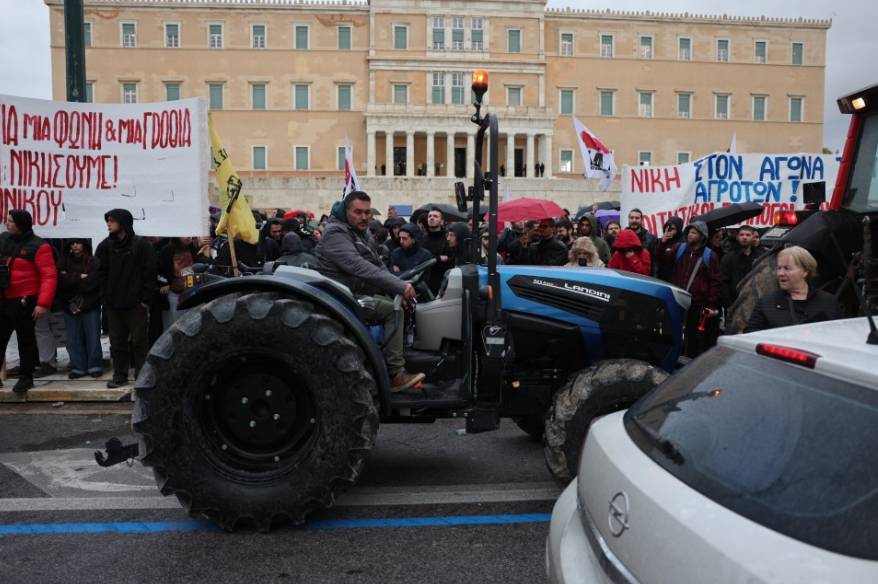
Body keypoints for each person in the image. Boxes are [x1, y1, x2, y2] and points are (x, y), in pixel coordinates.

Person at [315, 191, 425, 392]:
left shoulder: (360, 232)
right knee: (393, 311)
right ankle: (395, 373)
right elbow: (359, 266)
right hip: (340, 297)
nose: (364, 217)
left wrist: (395, 287)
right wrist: (399, 287)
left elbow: (376, 263)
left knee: (396, 303)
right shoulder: (335, 233)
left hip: (354, 291)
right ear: (346, 211)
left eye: (367, 212)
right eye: (358, 212)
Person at [95, 209, 157, 388]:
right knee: (117, 342)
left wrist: (144, 300)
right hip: (113, 305)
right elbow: (100, 274)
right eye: (107, 220)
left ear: (123, 223)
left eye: (112, 220)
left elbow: (150, 273)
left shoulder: (141, 246)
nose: (108, 224)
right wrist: (105, 298)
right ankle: (120, 375)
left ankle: (142, 376)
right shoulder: (105, 246)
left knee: (139, 342)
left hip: (136, 304)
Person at [0, 210, 58, 393]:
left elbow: (49, 276)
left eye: (10, 221)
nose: (7, 223)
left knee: (25, 340)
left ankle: (26, 377)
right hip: (4, 297)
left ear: (20, 224)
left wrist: (42, 303)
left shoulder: (39, 246)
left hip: (25, 299)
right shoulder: (4, 239)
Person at [655, 221, 721, 358]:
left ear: (702, 236)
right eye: (689, 232)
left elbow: (714, 282)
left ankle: (688, 361)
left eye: (694, 232)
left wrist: (711, 304)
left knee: (692, 336)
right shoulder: (679, 248)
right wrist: (662, 244)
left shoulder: (710, 255)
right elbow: (661, 259)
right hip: (677, 299)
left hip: (696, 303)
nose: (690, 235)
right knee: (673, 331)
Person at [744, 246, 840, 332]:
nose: (780, 273)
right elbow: (750, 333)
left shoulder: (828, 302)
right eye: (779, 268)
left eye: (787, 268)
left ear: (805, 271)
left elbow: (839, 334)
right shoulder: (767, 303)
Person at [57, 239, 103, 379]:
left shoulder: (93, 261)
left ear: (84, 244)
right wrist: (79, 277)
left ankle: (95, 365)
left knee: (93, 337)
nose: (75, 245)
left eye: (78, 242)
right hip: (69, 304)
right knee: (73, 339)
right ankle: (78, 367)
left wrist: (70, 278)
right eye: (72, 243)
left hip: (90, 303)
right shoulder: (63, 261)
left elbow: (93, 283)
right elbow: (60, 281)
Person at [157, 237, 198, 326]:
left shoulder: (192, 248)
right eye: (184, 234)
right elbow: (160, 270)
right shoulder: (167, 250)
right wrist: (166, 283)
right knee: (176, 324)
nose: (188, 236)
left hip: (192, 291)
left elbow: (194, 268)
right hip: (174, 293)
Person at [720, 225, 762, 309]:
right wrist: (729, 304)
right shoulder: (728, 257)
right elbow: (723, 282)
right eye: (742, 235)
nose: (744, 237)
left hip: (755, 301)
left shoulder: (760, 256)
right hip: (734, 302)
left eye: (748, 235)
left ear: (753, 237)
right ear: (737, 237)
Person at [421, 208, 453, 295]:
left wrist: (432, 259)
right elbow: (420, 260)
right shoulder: (422, 240)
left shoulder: (447, 239)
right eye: (430, 216)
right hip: (424, 285)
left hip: (442, 284)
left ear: (442, 221)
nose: (432, 218)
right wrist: (439, 258)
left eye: (435, 216)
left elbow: (450, 261)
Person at [654, 217, 684, 282]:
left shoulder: (683, 243)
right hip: (661, 278)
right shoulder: (660, 241)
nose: (669, 230)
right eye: (668, 227)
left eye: (672, 228)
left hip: (676, 279)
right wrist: (662, 243)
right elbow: (657, 259)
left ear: (678, 230)